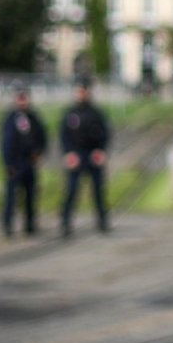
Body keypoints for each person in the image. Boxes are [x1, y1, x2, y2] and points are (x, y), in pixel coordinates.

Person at [58, 81, 112, 237]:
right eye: (79, 91)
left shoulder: (96, 113)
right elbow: (64, 136)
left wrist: (101, 151)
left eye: (83, 91)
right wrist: (68, 153)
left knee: (98, 192)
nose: (81, 94)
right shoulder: (70, 113)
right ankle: (66, 223)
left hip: (92, 155)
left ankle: (102, 221)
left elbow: (105, 134)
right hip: (76, 155)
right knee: (71, 191)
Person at [0, 87, 47, 237]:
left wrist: (39, 153)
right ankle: (8, 225)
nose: (22, 101)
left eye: (24, 98)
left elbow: (42, 137)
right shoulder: (10, 118)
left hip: (29, 163)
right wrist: (8, 164)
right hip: (14, 164)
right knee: (11, 197)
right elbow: (5, 143)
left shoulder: (33, 117)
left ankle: (30, 224)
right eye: (19, 98)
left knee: (31, 196)